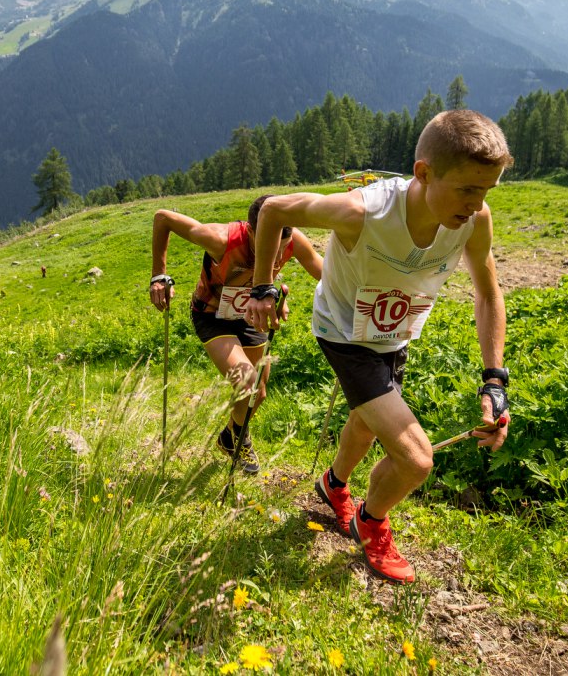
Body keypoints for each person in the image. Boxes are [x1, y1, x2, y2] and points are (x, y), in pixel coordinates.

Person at [244, 110, 512, 583]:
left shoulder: (475, 221)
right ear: (424, 173)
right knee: (415, 459)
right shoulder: (361, 212)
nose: (476, 204)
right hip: (345, 333)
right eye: (467, 189)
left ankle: (333, 485)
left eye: (487, 190)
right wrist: (263, 288)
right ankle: (370, 521)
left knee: (366, 424)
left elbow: (488, 293)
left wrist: (495, 379)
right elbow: (274, 210)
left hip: (395, 331)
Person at [150, 195, 324, 475]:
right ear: (252, 230)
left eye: (281, 251)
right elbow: (163, 218)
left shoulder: (293, 238)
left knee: (259, 393)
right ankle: (239, 438)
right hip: (212, 315)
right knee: (247, 382)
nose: (277, 258)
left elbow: (320, 268)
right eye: (269, 247)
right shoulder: (221, 239)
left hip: (249, 316)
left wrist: (357, 287)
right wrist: (159, 275)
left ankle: (231, 437)